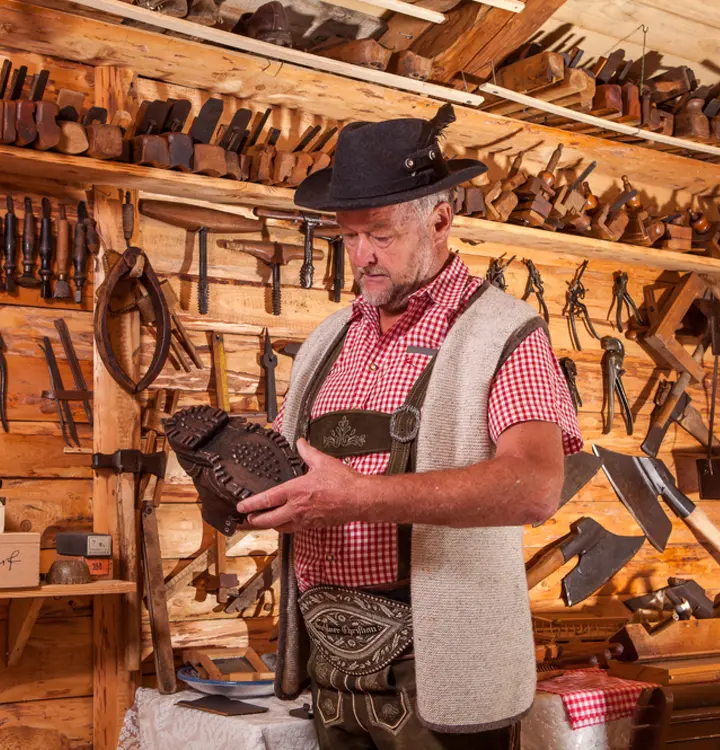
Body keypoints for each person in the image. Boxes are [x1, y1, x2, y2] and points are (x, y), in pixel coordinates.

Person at [235, 105, 583, 749]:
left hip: (445, 668)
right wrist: (236, 487)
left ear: (440, 220)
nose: (361, 256)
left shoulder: (502, 333)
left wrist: (359, 498)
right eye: (348, 237)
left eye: (381, 234)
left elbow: (536, 487)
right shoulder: (327, 340)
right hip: (330, 669)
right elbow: (290, 471)